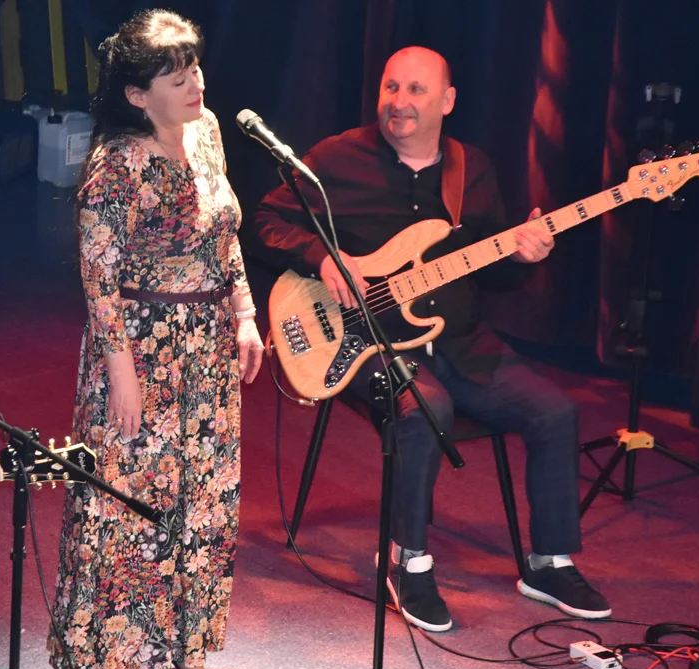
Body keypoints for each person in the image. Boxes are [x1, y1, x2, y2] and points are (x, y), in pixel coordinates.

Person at [247, 46, 610, 631]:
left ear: (447, 101)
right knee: (425, 409)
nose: (399, 102)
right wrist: (323, 258)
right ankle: (405, 561)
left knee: (555, 411)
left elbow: (493, 270)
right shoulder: (335, 158)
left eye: (416, 90)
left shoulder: (473, 170)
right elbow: (264, 221)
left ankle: (549, 563)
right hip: (364, 342)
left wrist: (525, 256)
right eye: (391, 88)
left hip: (458, 338)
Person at [47, 9, 263, 669]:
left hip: (209, 350)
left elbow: (225, 233)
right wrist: (123, 377)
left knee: (202, 503)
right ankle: (116, 657)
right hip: (141, 351)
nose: (196, 84)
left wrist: (245, 312)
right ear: (138, 95)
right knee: (131, 508)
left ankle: (183, 651)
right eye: (177, 77)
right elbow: (99, 281)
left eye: (194, 68)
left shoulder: (208, 130)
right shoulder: (116, 165)